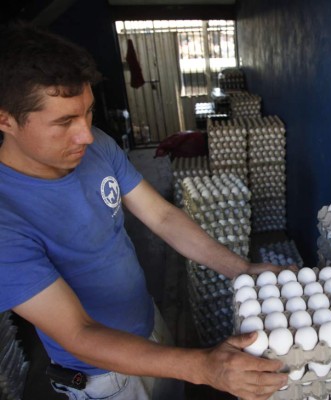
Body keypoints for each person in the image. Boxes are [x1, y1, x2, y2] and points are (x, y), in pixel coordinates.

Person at [0, 23, 289, 400]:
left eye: (87, 112)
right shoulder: (6, 219)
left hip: (149, 325)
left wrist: (241, 270)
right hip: (103, 374)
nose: (85, 134)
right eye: (64, 122)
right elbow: (78, 333)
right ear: (5, 119)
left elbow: (161, 217)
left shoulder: (97, 147)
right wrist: (203, 367)